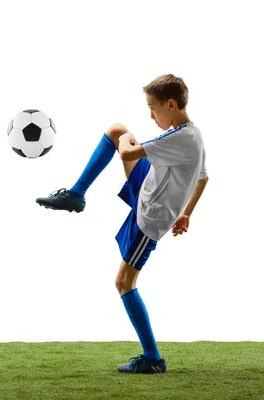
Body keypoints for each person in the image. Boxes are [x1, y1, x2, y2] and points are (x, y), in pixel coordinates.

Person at [36, 74, 209, 373]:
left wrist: (132, 142)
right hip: (149, 186)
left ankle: (153, 360)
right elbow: (203, 177)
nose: (151, 115)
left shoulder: (179, 138)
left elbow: (129, 151)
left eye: (154, 109)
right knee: (117, 130)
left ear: (171, 104)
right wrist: (187, 213)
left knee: (123, 283)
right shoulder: (191, 133)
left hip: (149, 218)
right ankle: (76, 195)